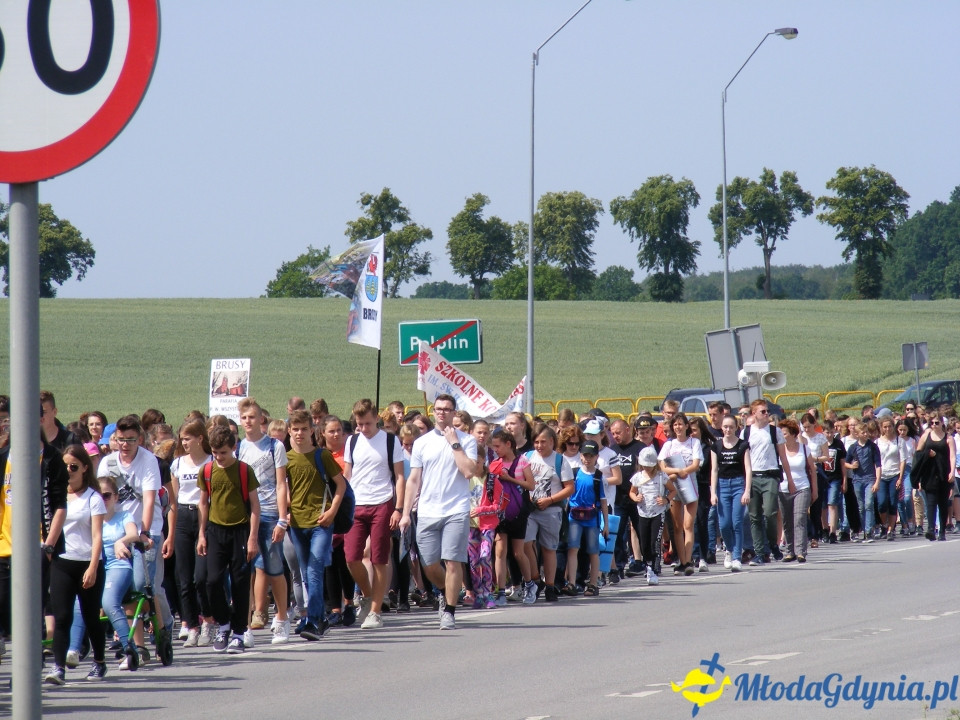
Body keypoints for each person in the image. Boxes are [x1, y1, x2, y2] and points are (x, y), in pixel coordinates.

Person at [400, 394, 478, 630]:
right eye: (439, 409)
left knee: (453, 561)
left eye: (447, 409)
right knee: (429, 564)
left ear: (455, 412)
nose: (442, 412)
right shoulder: (422, 442)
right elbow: (413, 480)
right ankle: (446, 591)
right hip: (427, 511)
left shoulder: (467, 441)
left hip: (456, 509)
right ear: (434, 411)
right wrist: (405, 513)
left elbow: (468, 472)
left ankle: (450, 612)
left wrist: (454, 443)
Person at [96, 414, 174, 647]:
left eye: (130, 440)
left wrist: (146, 532)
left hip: (145, 530)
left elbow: (149, 499)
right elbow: (100, 499)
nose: (125, 445)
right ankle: (132, 639)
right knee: (126, 587)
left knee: (144, 585)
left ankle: (164, 623)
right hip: (116, 532)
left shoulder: (148, 460)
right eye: (120, 440)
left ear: (139, 439)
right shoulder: (107, 464)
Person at [45, 445, 107, 685]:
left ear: (84, 468)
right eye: (65, 466)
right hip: (62, 562)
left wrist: (93, 566)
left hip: (87, 563)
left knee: (91, 617)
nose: (68, 471)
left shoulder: (93, 497)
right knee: (61, 617)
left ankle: (99, 662)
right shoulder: (56, 495)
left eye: (73, 467)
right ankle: (58, 667)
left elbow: (97, 536)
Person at [197, 425, 260, 654]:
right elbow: (203, 503)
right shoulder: (206, 471)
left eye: (223, 452)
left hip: (240, 531)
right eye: (215, 452)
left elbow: (255, 506)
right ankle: (224, 623)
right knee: (210, 580)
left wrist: (253, 538)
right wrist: (202, 534)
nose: (219, 457)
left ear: (234, 448)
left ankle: (239, 633)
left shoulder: (244, 470)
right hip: (215, 531)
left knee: (240, 582)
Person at [285, 409, 347, 640]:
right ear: (290, 431)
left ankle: (313, 620)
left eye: (304, 429)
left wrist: (332, 510)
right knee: (305, 570)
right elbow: (284, 488)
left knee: (314, 569)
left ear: (312, 430)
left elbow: (340, 485)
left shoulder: (322, 456)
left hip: (321, 521)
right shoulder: (286, 459)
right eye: (295, 429)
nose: (300, 433)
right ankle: (317, 616)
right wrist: (286, 513)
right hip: (296, 523)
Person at [343, 399, 405, 630]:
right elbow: (348, 474)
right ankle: (368, 596)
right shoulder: (352, 440)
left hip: (382, 503)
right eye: (359, 424)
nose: (364, 428)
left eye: (368, 423)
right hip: (356, 505)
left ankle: (376, 611)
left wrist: (398, 509)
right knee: (351, 557)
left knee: (380, 559)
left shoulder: (390, 441)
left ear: (376, 418)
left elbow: (399, 476)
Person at [238, 398, 291, 645]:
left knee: (273, 567)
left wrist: (282, 520)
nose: (248, 422)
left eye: (252, 417)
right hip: (245, 515)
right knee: (245, 571)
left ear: (261, 419)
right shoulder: (238, 448)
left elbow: (281, 484)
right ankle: (245, 625)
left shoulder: (274, 446)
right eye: (244, 417)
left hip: (270, 513)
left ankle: (281, 618)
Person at [170, 420, 215, 647]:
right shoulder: (177, 464)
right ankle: (192, 625)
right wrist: (170, 533)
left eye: (188, 438)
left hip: (203, 516)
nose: (184, 442)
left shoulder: (211, 461)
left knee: (201, 577)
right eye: (182, 439)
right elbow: (174, 500)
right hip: (182, 518)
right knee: (184, 579)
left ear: (200, 438)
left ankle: (208, 620)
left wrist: (203, 531)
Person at [522, 426, 574, 603]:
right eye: (536, 442)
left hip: (551, 510)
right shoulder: (527, 457)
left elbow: (569, 488)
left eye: (543, 442)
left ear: (552, 441)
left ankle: (550, 585)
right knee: (525, 544)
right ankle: (536, 579)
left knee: (549, 549)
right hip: (530, 510)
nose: (539, 445)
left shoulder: (560, 461)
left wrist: (550, 500)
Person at [743, 399, 794, 565]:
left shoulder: (774, 431)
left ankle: (772, 544)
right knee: (754, 516)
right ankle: (760, 552)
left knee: (770, 512)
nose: (766, 414)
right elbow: (743, 458)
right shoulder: (746, 432)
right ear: (754, 414)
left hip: (770, 475)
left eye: (767, 411)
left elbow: (783, 457)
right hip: (753, 476)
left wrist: (790, 479)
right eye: (762, 411)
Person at [489, 429, 535, 607]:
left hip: (518, 512)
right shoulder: (494, 463)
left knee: (518, 552)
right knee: (500, 552)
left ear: (508, 444)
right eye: (493, 447)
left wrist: (510, 479)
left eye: (498, 446)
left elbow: (530, 485)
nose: (496, 450)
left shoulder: (522, 461)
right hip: (500, 513)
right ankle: (501, 590)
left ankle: (530, 584)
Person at [563, 440, 608, 597]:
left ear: (596, 457)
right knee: (573, 548)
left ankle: (593, 583)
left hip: (592, 518)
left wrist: (606, 524)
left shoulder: (598, 476)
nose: (587, 459)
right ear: (580, 456)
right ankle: (571, 583)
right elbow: (568, 496)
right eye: (585, 455)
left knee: (593, 551)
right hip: (574, 516)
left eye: (591, 456)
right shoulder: (574, 473)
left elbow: (603, 501)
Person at [658, 413, 701, 576]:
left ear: (686, 426)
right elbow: (662, 466)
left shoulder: (694, 442)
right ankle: (682, 561)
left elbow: (696, 464)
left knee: (688, 525)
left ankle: (688, 560)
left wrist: (684, 472)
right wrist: (677, 471)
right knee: (676, 527)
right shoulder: (669, 445)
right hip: (674, 486)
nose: (678, 427)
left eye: (680, 424)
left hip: (690, 483)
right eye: (675, 424)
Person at [710, 414, 751, 571]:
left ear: (736, 428)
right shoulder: (717, 446)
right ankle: (729, 549)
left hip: (738, 484)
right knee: (724, 524)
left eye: (731, 427)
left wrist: (747, 491)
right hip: (722, 485)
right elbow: (714, 470)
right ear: (722, 428)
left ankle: (736, 557)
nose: (728, 429)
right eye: (725, 427)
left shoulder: (743, 445)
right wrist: (713, 492)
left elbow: (748, 469)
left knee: (737, 522)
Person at [629, 446, 673, 585]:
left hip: (658, 512)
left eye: (650, 466)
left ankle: (654, 568)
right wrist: (635, 498)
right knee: (644, 542)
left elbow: (673, 491)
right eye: (645, 465)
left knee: (655, 541)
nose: (647, 468)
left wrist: (666, 499)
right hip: (643, 512)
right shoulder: (637, 477)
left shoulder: (662, 477)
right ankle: (647, 564)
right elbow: (631, 492)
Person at [779, 419, 817, 562]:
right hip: (783, 489)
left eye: (785, 434)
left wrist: (815, 490)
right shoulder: (778, 450)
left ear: (793, 434)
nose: (782, 436)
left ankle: (801, 551)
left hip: (802, 487)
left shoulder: (804, 448)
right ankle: (790, 551)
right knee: (787, 521)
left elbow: (812, 470)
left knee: (799, 518)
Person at [913, 415, 956, 541]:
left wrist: (952, 472)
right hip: (929, 473)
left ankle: (942, 530)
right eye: (931, 423)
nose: (934, 425)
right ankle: (931, 529)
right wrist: (927, 453)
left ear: (942, 423)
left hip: (943, 472)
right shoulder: (926, 436)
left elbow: (952, 456)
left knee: (943, 503)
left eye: (936, 422)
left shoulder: (948, 438)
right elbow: (918, 453)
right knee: (931, 502)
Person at [844, 421, 882, 543]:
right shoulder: (853, 447)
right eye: (863, 432)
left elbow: (878, 465)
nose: (866, 434)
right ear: (857, 433)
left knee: (869, 504)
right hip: (857, 480)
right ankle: (862, 528)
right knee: (861, 507)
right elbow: (845, 462)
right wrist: (851, 466)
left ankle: (868, 531)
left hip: (870, 479)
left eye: (866, 432)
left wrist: (877, 481)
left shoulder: (872, 446)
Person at [876, 417, 905, 541]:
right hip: (882, 475)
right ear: (882, 428)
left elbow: (902, 460)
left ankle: (890, 530)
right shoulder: (877, 442)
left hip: (894, 474)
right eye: (885, 427)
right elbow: (876, 462)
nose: (888, 429)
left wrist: (900, 477)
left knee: (893, 502)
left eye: (890, 426)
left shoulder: (899, 441)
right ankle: (884, 525)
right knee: (882, 503)